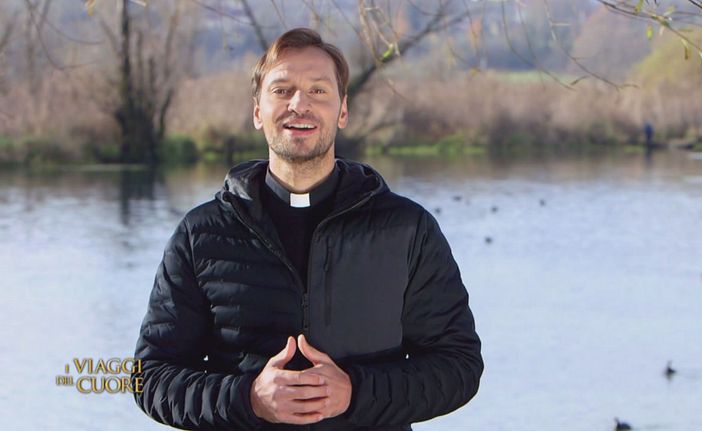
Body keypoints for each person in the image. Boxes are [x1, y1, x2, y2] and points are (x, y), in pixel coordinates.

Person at [132, 28, 483, 431]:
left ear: (342, 111)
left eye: (318, 91)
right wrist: (248, 398)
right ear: (258, 111)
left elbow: (458, 365)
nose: (299, 104)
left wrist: (355, 393)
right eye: (282, 90)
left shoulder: (407, 229)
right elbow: (150, 377)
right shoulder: (201, 234)